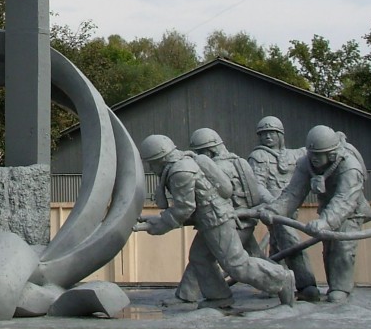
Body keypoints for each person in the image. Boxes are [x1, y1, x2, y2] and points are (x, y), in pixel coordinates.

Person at [137, 134, 295, 309]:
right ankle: (218, 297)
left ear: (160, 159)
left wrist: (159, 226)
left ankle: (281, 279)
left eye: (151, 163)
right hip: (209, 220)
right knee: (200, 257)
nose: (151, 167)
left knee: (236, 264)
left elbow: (184, 209)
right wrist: (155, 221)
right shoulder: (182, 164)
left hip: (216, 221)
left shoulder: (180, 171)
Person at [258, 124, 370, 304]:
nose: (314, 159)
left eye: (319, 155)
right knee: (328, 248)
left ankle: (341, 288)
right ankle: (313, 286)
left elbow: (344, 201)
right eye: (312, 154)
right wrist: (274, 210)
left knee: (342, 247)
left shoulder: (350, 166)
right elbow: (293, 193)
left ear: (331, 154)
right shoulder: (306, 163)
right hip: (328, 209)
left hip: (351, 210)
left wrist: (324, 222)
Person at [174, 127, 266, 304]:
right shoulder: (239, 162)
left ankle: (281, 280)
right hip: (243, 221)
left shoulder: (214, 168)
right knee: (254, 256)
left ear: (209, 150)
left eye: (200, 152)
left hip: (227, 222)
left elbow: (207, 199)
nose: (199, 156)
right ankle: (189, 294)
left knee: (203, 256)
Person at [248, 116, 320, 302]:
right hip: (273, 207)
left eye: (272, 133)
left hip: (291, 205)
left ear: (280, 134)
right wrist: (274, 205)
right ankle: (307, 285)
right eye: (263, 134)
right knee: (290, 240)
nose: (268, 137)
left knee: (278, 243)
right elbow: (257, 185)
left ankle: (273, 283)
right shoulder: (258, 157)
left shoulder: (295, 155)